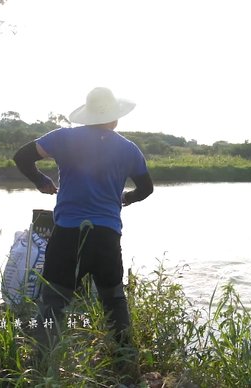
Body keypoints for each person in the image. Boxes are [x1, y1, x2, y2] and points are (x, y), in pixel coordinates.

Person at [13, 86, 153, 345]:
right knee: (114, 300)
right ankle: (125, 363)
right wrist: (125, 198)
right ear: (115, 117)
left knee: (54, 300)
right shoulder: (129, 148)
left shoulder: (62, 138)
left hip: (67, 235)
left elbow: (22, 157)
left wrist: (40, 180)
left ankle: (44, 364)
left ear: (88, 114)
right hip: (106, 237)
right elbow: (146, 189)